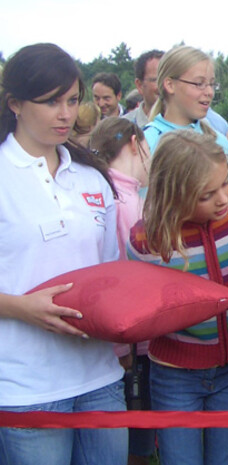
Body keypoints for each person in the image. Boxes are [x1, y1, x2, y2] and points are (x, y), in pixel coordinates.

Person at [0, 42, 126, 465]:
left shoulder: (91, 177)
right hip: (25, 389)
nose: (66, 114)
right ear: (14, 103)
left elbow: (113, 274)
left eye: (73, 99)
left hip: (101, 379)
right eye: (51, 101)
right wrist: (19, 307)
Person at [128, 130, 228, 465]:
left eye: (225, 183)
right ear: (174, 194)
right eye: (206, 195)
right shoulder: (147, 241)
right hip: (174, 374)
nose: (223, 199)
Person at [89, 116, 155, 465]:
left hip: (125, 342)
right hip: (130, 345)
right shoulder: (122, 202)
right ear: (135, 144)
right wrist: (122, 347)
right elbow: (117, 279)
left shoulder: (111, 193)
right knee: (136, 445)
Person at [143, 45, 228, 190]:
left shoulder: (218, 140)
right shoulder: (147, 143)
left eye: (212, 84)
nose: (209, 92)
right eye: (199, 84)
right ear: (170, 84)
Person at [124, 50, 164, 128]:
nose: (165, 86)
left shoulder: (190, 126)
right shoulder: (123, 127)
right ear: (140, 85)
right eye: (156, 80)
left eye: (171, 79)